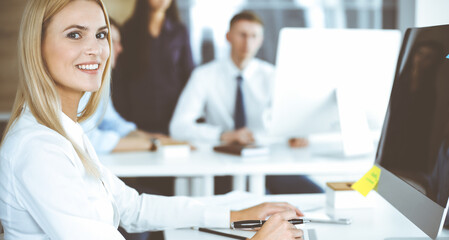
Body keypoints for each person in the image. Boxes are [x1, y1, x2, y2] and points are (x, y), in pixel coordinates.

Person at [0, 1, 304, 239]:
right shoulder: (39, 148)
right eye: (74, 34)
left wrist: (234, 215)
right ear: (35, 47)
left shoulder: (67, 131)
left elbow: (134, 208)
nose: (96, 49)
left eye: (101, 34)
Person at [169, 11, 322, 194]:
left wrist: (296, 133)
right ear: (228, 37)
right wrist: (223, 135)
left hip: (267, 163)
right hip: (220, 165)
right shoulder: (204, 76)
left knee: (315, 196)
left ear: (261, 40)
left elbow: (293, 120)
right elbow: (178, 127)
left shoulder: (272, 77)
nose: (247, 43)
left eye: (253, 36)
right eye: (242, 35)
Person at [79, 18, 167, 155]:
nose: (120, 49)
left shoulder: (101, 81)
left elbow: (111, 122)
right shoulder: (79, 81)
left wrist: (150, 137)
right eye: (113, 42)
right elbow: (85, 140)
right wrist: (150, 144)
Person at [112, 0, 194, 135]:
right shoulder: (129, 29)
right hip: (136, 117)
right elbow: (120, 78)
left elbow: (188, 74)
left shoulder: (179, 31)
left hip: (173, 115)